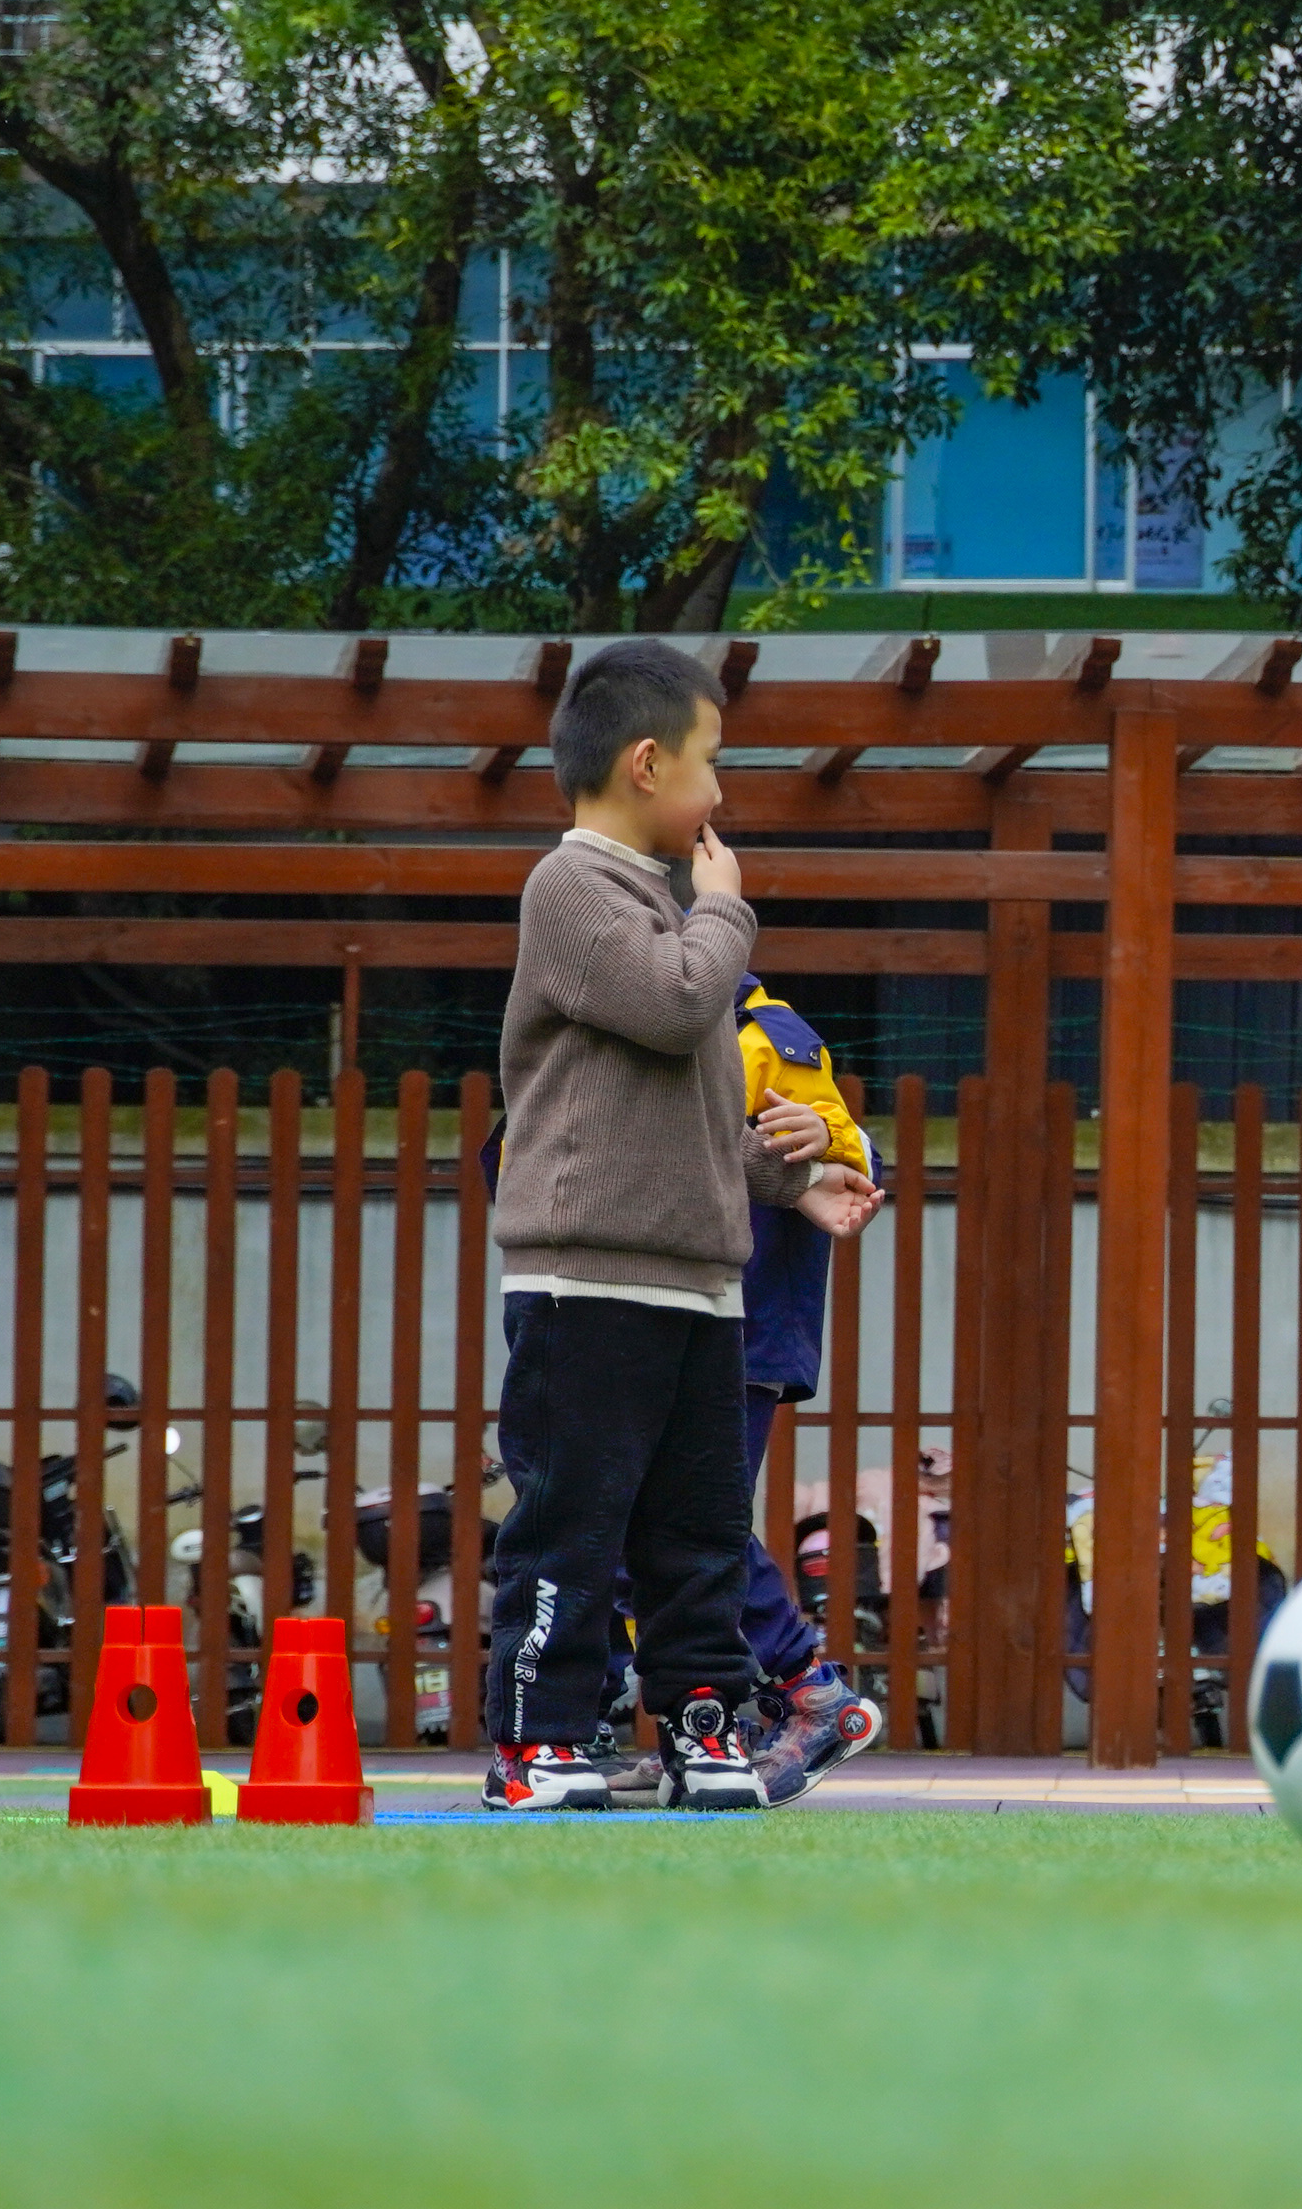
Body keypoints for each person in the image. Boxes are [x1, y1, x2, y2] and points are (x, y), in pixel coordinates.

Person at [476, 639, 827, 1813]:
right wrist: (727, 913)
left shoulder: (665, 915)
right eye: (709, 763)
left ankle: (702, 1732)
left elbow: (678, 1110)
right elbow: (684, 1009)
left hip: (697, 1283)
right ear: (644, 764)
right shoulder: (572, 888)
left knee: (697, 1536)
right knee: (574, 1521)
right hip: (588, 1281)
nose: (720, 795)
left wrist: (778, 1172)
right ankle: (540, 1743)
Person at [598, 975, 888, 1808]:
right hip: (685, 1315)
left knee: (683, 1524)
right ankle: (714, 1723)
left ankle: (806, 1691)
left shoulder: (762, 1031)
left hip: (739, 1320)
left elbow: (845, 1155)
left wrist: (839, 1149)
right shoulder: (653, 1023)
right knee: (650, 1529)